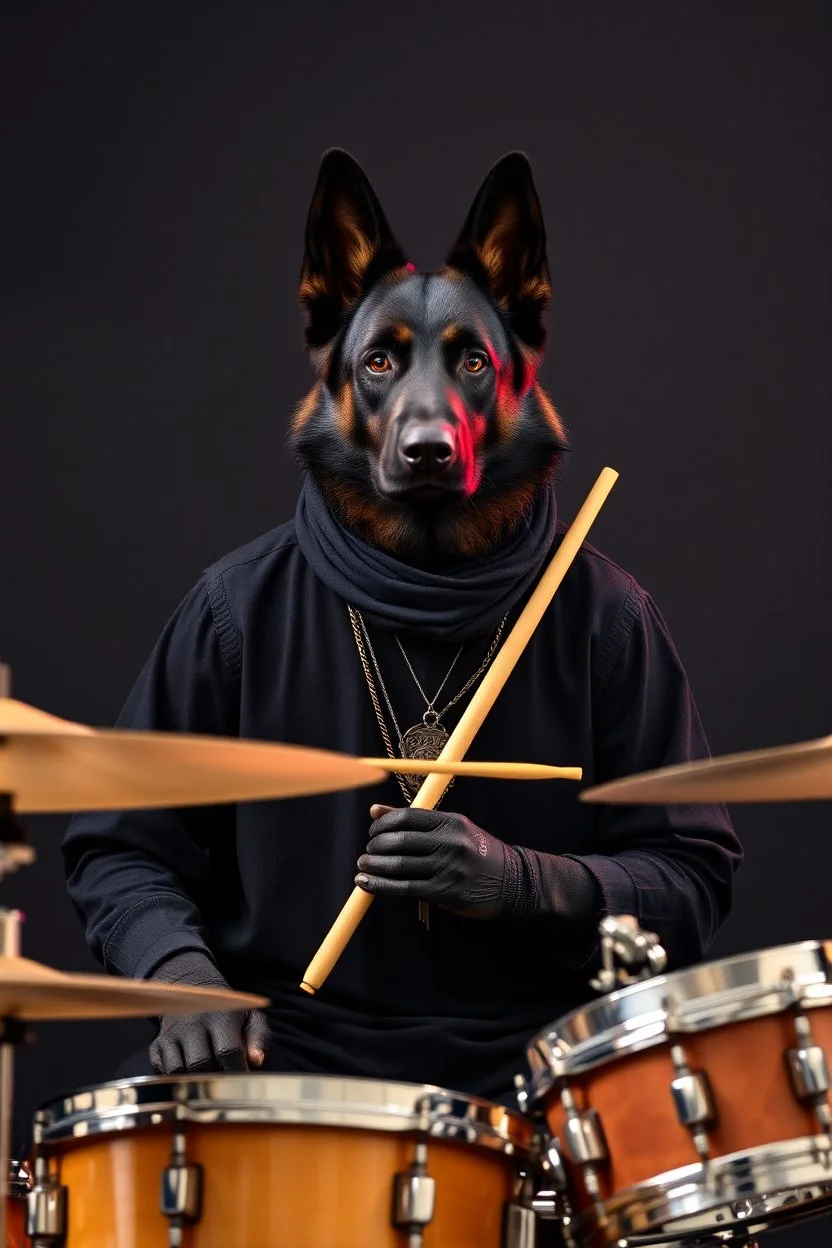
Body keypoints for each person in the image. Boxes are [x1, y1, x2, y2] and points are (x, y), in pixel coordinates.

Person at [62, 149, 741, 1105]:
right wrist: (178, 974)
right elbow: (120, 843)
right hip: (283, 1067)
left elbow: (695, 877)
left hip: (537, 1083)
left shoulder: (603, 616)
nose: (428, 421)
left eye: (469, 362)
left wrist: (522, 884)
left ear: (516, 373)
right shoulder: (237, 611)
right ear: (338, 370)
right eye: (383, 361)